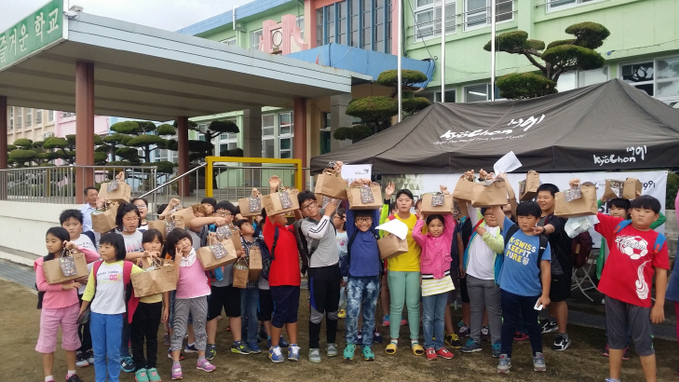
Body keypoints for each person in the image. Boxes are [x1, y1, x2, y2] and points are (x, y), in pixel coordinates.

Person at [583, 189, 669, 382]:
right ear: (630, 211)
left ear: (656, 216)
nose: (641, 214)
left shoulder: (658, 240)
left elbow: (662, 273)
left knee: (643, 342)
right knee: (615, 339)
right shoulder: (618, 226)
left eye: (647, 211)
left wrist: (659, 304)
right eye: (637, 209)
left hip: (639, 298)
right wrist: (581, 189)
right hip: (613, 293)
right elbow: (589, 213)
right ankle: (613, 378)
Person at [493, 202, 552, 374]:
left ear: (537, 219)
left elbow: (545, 269)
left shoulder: (542, 241)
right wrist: (491, 182)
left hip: (532, 292)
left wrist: (545, 295)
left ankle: (538, 355)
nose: (524, 221)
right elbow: (495, 207)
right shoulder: (510, 230)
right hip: (508, 290)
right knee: (508, 324)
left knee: (532, 324)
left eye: (529, 217)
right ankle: (505, 355)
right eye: (521, 217)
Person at [35, 227, 100, 382]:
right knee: (47, 342)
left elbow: (95, 256)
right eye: (47, 241)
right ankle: (48, 377)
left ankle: (71, 373)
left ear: (63, 242)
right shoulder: (42, 261)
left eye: (53, 241)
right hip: (50, 308)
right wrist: (63, 287)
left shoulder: (73, 258)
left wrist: (75, 247)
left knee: (71, 341)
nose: (49, 244)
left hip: (71, 306)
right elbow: (41, 285)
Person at [79, 233, 143, 382]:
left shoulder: (127, 266)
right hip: (96, 315)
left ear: (118, 249)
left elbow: (145, 277)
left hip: (116, 315)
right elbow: (89, 291)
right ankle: (100, 379)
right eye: (101, 246)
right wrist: (82, 311)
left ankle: (114, 379)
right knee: (99, 353)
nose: (102, 250)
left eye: (107, 247)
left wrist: (146, 259)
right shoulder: (96, 266)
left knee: (113, 353)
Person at [411, 185, 456, 361]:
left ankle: (440, 346)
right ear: (428, 227)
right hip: (429, 281)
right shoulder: (424, 240)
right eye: (433, 226)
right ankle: (429, 345)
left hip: (444, 280)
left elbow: (450, 221)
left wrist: (446, 197)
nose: (436, 228)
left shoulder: (447, 236)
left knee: (440, 316)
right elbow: (415, 234)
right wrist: (421, 218)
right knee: (428, 316)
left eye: (439, 225)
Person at [298, 188, 342, 363]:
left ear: (316, 202)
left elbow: (337, 195)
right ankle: (313, 347)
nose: (310, 208)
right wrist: (328, 214)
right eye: (305, 207)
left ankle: (331, 343)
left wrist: (337, 172)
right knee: (316, 312)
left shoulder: (326, 213)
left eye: (311, 203)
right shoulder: (304, 224)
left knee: (333, 311)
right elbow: (318, 233)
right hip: (317, 271)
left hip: (334, 269)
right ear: (301, 211)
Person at [166, 228, 216, 379]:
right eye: (178, 242)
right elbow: (172, 283)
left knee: (200, 326)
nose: (183, 243)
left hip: (201, 295)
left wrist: (213, 243)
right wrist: (177, 261)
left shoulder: (200, 253)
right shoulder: (173, 260)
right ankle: (175, 363)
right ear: (174, 246)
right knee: (178, 329)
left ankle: (201, 358)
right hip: (181, 297)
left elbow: (214, 263)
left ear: (190, 238)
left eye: (185, 239)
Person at [381, 183, 423, 356]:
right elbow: (382, 234)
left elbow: (424, 243)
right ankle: (394, 340)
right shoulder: (390, 220)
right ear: (396, 203)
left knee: (413, 305)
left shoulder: (418, 220)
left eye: (407, 200)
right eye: (400, 200)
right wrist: (386, 198)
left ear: (412, 203)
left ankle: (415, 341)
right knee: (396, 305)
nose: (404, 203)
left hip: (414, 268)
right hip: (395, 268)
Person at [203, 201, 250, 360]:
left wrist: (241, 253)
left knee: (235, 313)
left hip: (232, 279)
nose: (222, 216)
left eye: (226, 213)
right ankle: (211, 344)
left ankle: (237, 342)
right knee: (212, 314)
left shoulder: (235, 232)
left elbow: (240, 251)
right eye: (219, 212)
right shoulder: (209, 231)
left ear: (232, 217)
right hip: (213, 281)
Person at [263, 175, 301, 363]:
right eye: (281, 213)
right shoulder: (271, 230)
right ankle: (274, 346)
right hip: (279, 279)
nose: (284, 215)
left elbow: (301, 221)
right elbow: (270, 211)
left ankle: (293, 345)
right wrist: (273, 189)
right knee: (280, 313)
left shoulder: (290, 230)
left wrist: (294, 204)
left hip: (294, 279)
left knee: (292, 313)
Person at [342, 182, 382, 361]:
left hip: (373, 278)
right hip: (355, 278)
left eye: (367, 219)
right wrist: (352, 187)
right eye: (360, 220)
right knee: (352, 311)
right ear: (355, 222)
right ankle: (350, 343)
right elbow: (349, 208)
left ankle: (367, 345)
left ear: (372, 221)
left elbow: (375, 208)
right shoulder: (352, 232)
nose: (363, 222)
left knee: (369, 313)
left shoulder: (374, 231)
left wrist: (372, 189)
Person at [460, 198, 503, 357]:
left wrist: (484, 234)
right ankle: (474, 340)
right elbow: (471, 203)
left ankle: (496, 342)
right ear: (483, 214)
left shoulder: (502, 229)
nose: (492, 215)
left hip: (492, 279)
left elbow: (499, 248)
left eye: (495, 213)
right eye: (488, 213)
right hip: (473, 276)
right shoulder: (477, 225)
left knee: (494, 312)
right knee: (475, 310)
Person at [535, 183, 573, 352]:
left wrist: (542, 229)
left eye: (546, 197)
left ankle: (563, 335)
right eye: (539, 197)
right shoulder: (535, 215)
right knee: (546, 294)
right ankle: (551, 321)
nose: (541, 200)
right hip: (539, 266)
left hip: (558, 266)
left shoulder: (560, 216)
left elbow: (553, 227)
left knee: (558, 300)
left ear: (555, 199)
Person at [130, 229, 170, 382]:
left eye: (157, 242)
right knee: (137, 337)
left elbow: (165, 286)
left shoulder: (162, 262)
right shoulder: (137, 260)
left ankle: (152, 366)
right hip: (138, 305)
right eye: (150, 242)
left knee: (152, 337)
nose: (154, 245)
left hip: (155, 303)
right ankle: (140, 367)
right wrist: (143, 255)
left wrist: (166, 307)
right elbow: (123, 257)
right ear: (143, 244)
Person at [59, 209, 96, 368]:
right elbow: (57, 269)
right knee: (75, 321)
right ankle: (78, 349)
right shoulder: (60, 243)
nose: (71, 227)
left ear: (82, 225)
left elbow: (96, 257)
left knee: (89, 320)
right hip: (74, 290)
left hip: (91, 288)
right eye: (67, 225)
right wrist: (76, 279)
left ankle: (88, 348)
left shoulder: (87, 237)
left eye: (75, 224)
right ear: (62, 226)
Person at [114, 203, 144, 373]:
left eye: (135, 218)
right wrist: (141, 254)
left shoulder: (143, 235)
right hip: (124, 285)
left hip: (142, 283)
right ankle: (123, 353)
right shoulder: (116, 237)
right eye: (128, 219)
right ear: (121, 220)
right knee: (125, 320)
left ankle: (135, 350)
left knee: (138, 320)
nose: (132, 222)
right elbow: (118, 256)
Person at [236, 218, 265, 353]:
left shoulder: (258, 241)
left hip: (254, 284)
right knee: (241, 314)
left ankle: (252, 339)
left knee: (253, 314)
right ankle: (241, 339)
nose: (251, 226)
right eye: (246, 225)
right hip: (241, 284)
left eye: (251, 224)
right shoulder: (239, 243)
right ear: (241, 232)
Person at [333, 208, 348, 319]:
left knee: (344, 284)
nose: (333, 219)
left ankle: (343, 307)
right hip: (333, 260)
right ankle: (335, 306)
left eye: (335, 217)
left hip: (344, 262)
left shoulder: (347, 234)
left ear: (343, 219)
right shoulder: (332, 232)